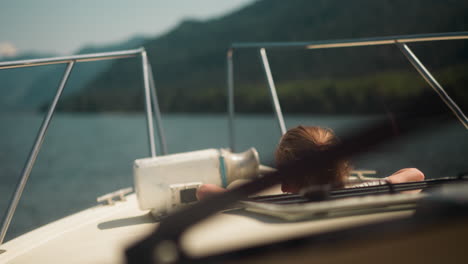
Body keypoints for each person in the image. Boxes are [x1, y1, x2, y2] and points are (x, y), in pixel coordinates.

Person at [196, 126, 424, 200]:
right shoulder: (367, 191)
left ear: (286, 183)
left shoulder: (266, 201)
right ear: (343, 168)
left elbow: (204, 191)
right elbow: (415, 174)